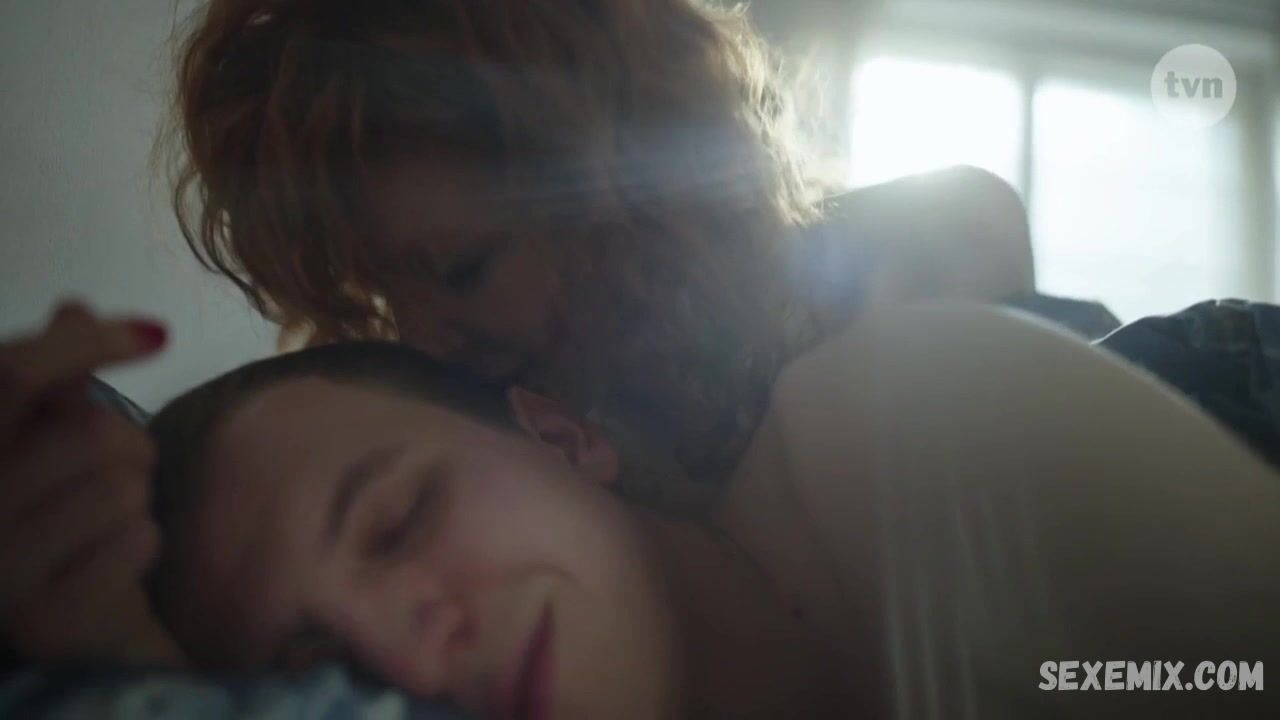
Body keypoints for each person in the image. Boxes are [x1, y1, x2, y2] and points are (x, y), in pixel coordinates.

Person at [3, 302, 1277, 718]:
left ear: (563, 436)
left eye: (396, 522)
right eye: (317, 669)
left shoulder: (888, 420)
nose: (405, 655)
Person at [167, 0, 1037, 489]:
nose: (426, 337)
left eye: (465, 271)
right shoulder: (501, 449)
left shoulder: (912, 269)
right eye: (390, 291)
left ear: (620, 194)